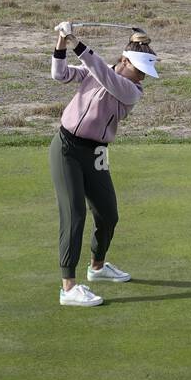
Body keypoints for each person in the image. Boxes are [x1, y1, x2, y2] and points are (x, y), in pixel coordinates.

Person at [49, 23, 160, 308]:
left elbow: (105, 76)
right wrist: (62, 41)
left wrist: (78, 44)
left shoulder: (131, 90)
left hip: (97, 152)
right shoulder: (96, 72)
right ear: (125, 61)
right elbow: (59, 74)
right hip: (67, 148)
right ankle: (68, 287)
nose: (143, 78)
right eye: (140, 71)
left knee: (108, 214)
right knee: (74, 215)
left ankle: (97, 267)